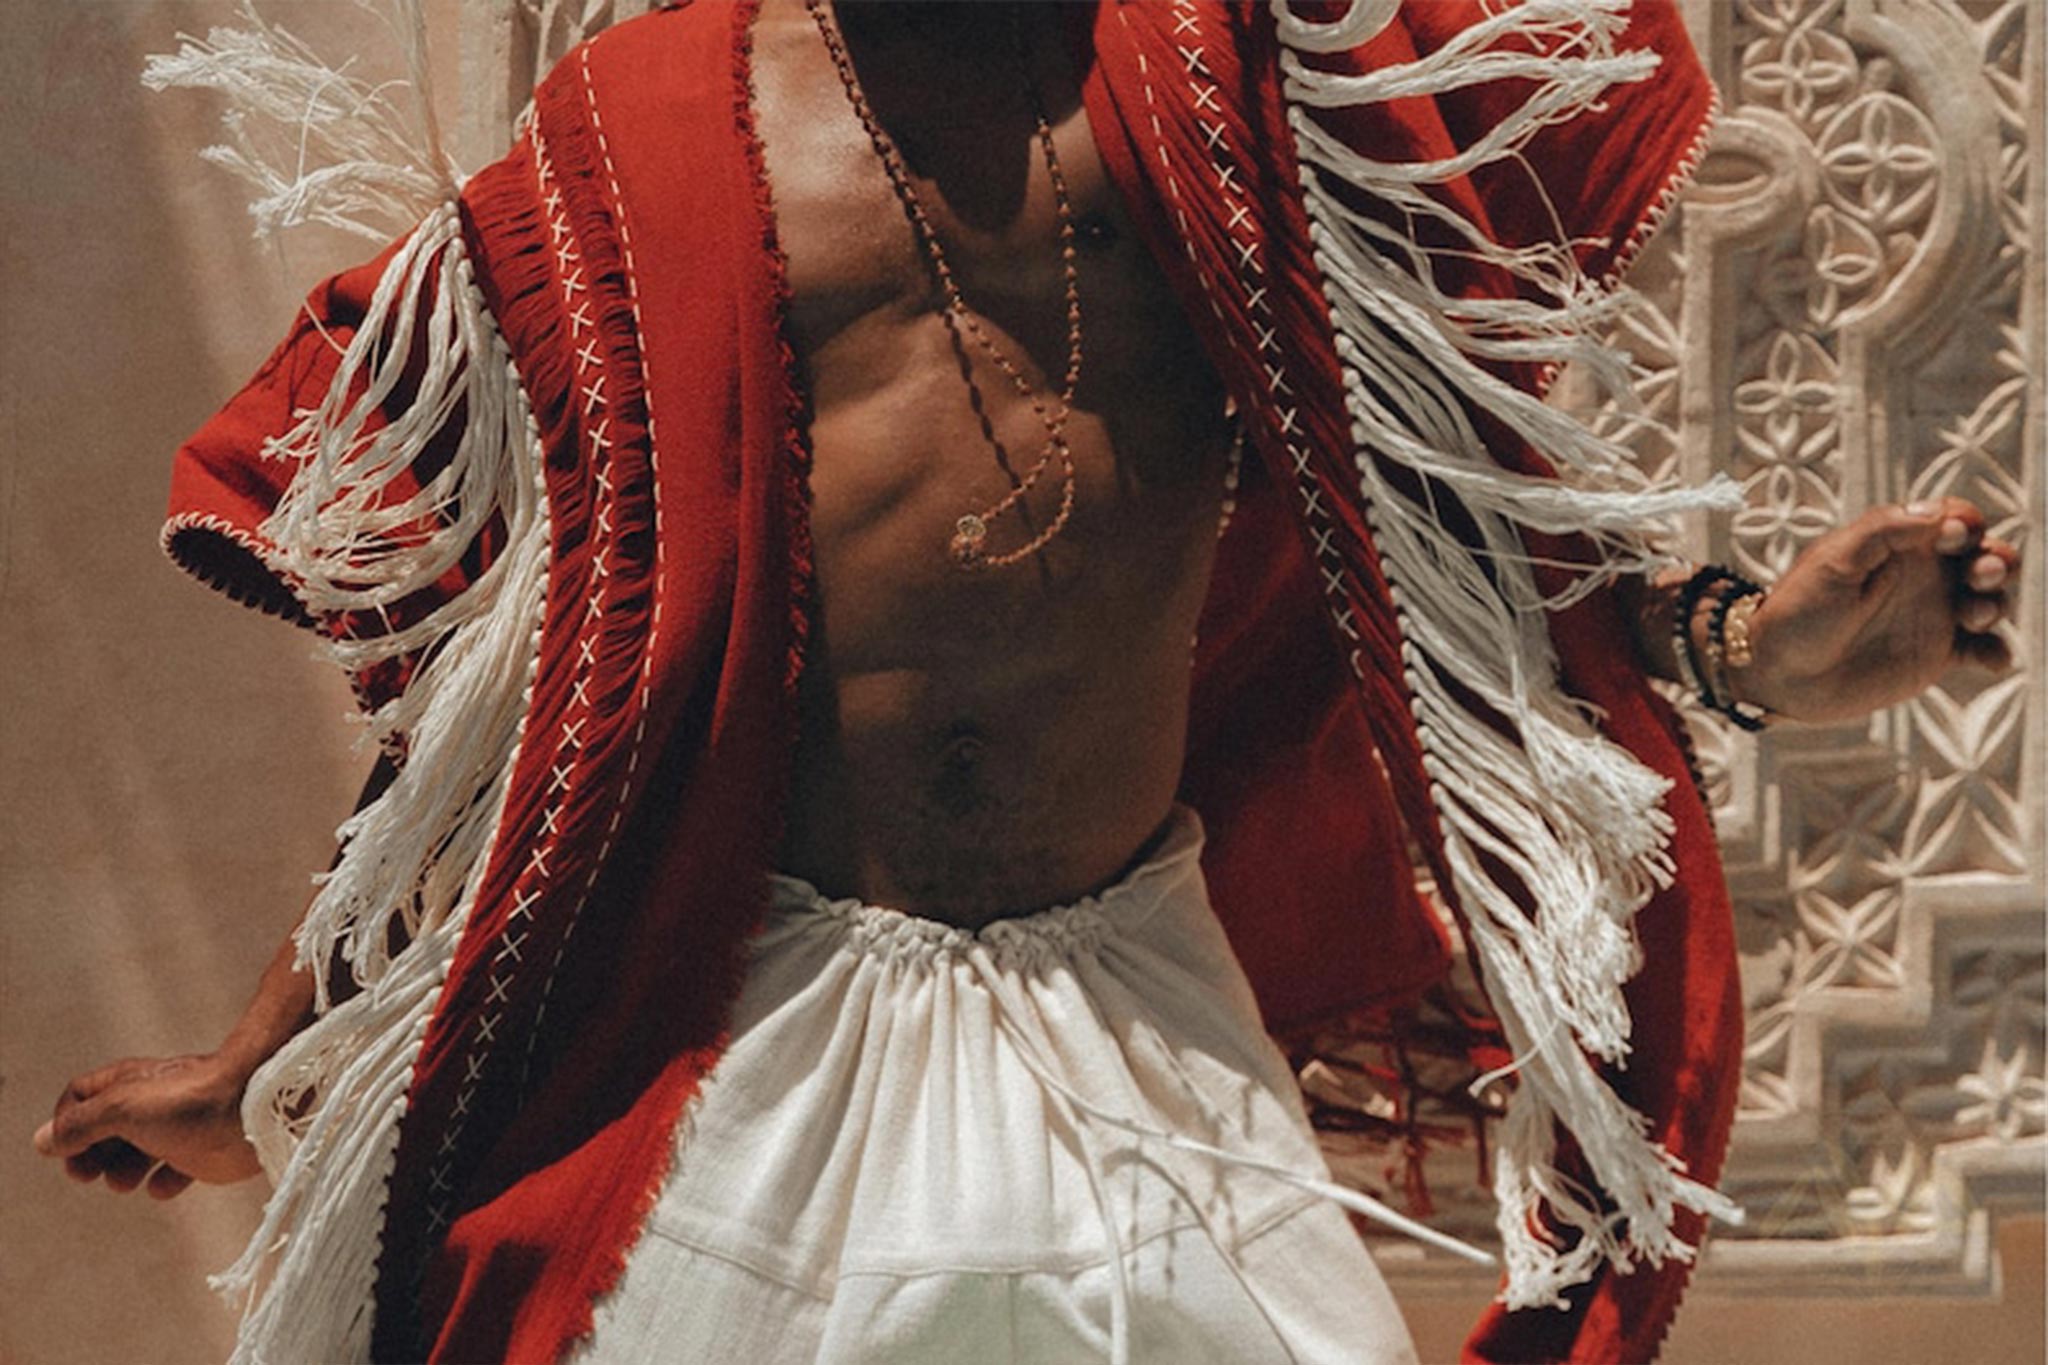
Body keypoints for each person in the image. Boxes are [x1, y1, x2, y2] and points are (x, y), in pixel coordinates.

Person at [33, 2, 2020, 1361]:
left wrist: (1747, 649)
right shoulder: (635, 135)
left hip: (1133, 1016)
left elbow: (1475, 548)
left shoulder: (1257, 117)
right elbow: (494, 709)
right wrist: (268, 1051)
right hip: (746, 1027)